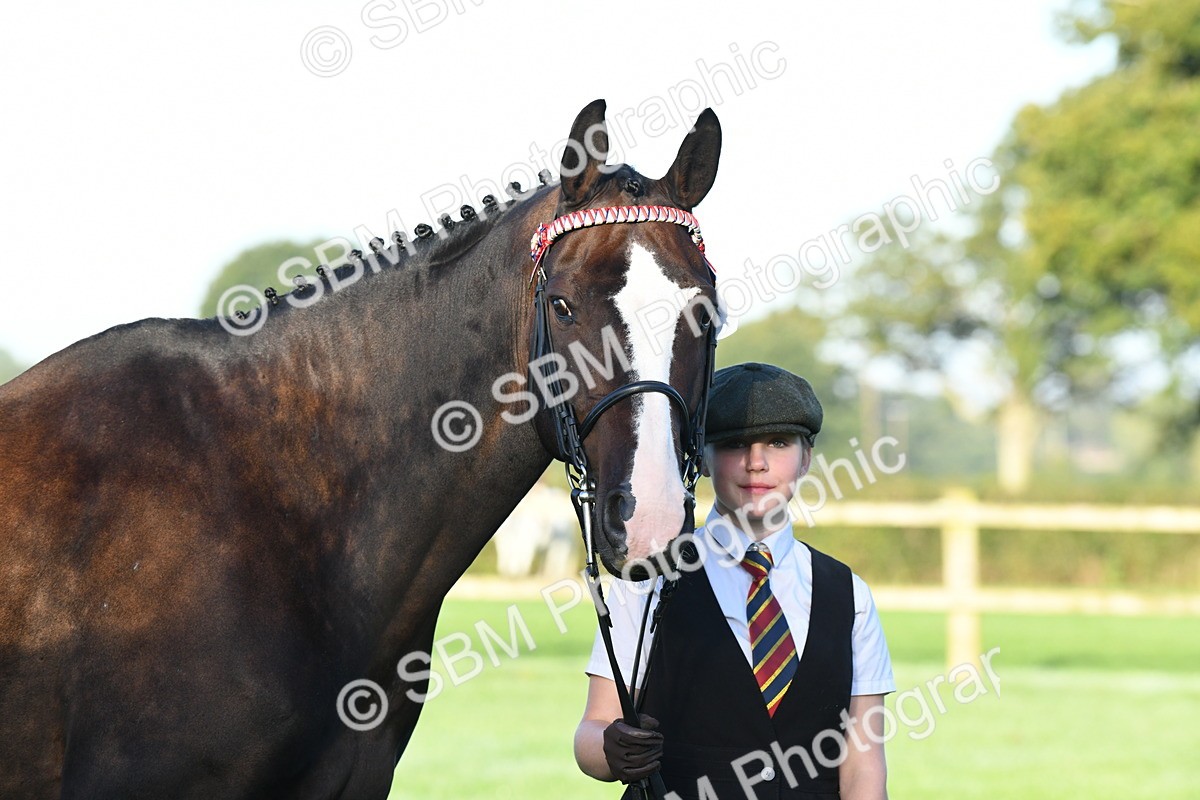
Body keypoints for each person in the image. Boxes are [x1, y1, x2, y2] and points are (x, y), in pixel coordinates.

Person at [573, 362, 895, 800]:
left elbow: (864, 763)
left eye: (778, 443)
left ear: (806, 458)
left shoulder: (850, 595)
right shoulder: (649, 579)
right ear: (701, 459)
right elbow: (592, 731)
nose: (756, 463)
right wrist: (611, 749)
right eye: (733, 444)